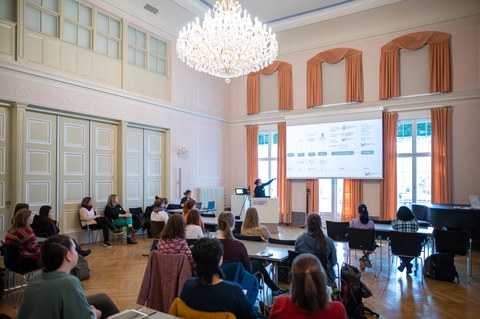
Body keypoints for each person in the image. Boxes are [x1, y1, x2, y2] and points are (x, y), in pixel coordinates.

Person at [17, 234, 120, 319]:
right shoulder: (69, 282)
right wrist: (94, 314)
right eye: (75, 250)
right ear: (68, 255)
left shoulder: (36, 278)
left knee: (102, 299)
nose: (77, 253)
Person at [180, 237, 258, 319]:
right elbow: (252, 316)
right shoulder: (234, 291)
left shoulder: (187, 286)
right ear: (220, 259)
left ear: (195, 259)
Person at [217, 212, 288, 297]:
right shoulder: (238, 246)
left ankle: (269, 287)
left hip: (218, 281)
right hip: (238, 280)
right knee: (257, 263)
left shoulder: (212, 244)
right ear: (233, 225)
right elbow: (249, 269)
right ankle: (275, 289)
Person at [270, 253, 347, 319]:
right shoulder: (337, 310)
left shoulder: (281, 305)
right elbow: (333, 262)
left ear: (294, 281)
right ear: (322, 279)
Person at [295, 213, 337, 287]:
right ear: (320, 225)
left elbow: (297, 260)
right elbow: (333, 262)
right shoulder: (329, 242)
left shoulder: (299, 240)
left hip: (303, 277)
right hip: (323, 279)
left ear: (307, 224)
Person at [392, 206, 419, 274]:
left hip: (398, 248)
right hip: (413, 249)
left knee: (399, 246)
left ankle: (404, 263)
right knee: (411, 250)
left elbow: (393, 227)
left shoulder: (395, 222)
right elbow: (417, 228)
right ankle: (407, 264)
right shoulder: (415, 222)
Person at [349, 203, 375, 269]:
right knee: (373, 244)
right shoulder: (371, 223)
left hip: (355, 244)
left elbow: (350, 232)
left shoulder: (353, 222)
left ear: (358, 211)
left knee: (361, 242)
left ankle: (363, 259)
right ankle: (365, 257)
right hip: (368, 245)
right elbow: (373, 236)